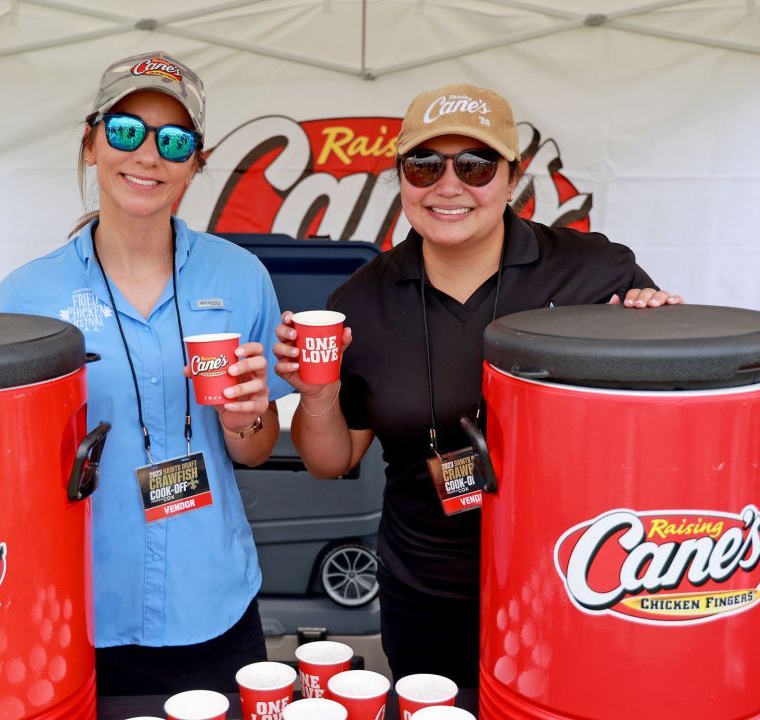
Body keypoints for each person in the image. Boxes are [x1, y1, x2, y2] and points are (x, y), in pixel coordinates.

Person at [0, 51, 292, 695]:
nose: (148, 155)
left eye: (175, 141)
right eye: (126, 130)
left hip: (215, 602)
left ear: (196, 164)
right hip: (77, 606)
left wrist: (245, 417)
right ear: (91, 144)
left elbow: (254, 449)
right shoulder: (28, 293)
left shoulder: (241, 278)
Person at [272, 84, 682, 686]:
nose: (448, 185)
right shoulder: (360, 300)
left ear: (512, 177)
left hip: (575, 579)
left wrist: (660, 327)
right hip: (425, 588)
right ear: (401, 177)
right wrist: (316, 392)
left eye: (475, 164)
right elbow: (332, 459)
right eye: (424, 165)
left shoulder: (594, 271)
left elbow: (661, 410)